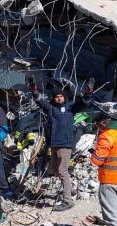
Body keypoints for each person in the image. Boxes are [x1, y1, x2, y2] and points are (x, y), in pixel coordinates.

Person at [30, 81, 92, 211]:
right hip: (54, 144)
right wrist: (34, 91)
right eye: (56, 97)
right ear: (53, 98)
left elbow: (83, 104)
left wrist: (88, 93)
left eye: (61, 96)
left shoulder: (70, 108)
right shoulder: (51, 109)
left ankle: (67, 200)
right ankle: (68, 190)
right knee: (56, 170)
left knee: (63, 171)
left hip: (65, 144)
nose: (59, 98)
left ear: (64, 97)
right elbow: (40, 102)